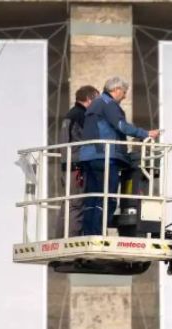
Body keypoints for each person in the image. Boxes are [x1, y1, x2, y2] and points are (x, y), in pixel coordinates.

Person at [79, 76, 159, 236]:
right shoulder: (109, 104)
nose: (125, 96)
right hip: (105, 156)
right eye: (124, 92)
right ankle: (98, 233)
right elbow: (121, 126)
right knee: (108, 197)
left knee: (92, 198)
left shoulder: (95, 104)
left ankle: (88, 232)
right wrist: (146, 133)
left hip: (89, 157)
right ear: (115, 90)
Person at [52, 85, 99, 238]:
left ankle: (60, 238)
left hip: (67, 167)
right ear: (89, 99)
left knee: (68, 205)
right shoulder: (83, 116)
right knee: (77, 206)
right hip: (77, 167)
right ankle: (72, 239)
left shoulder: (70, 115)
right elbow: (91, 140)